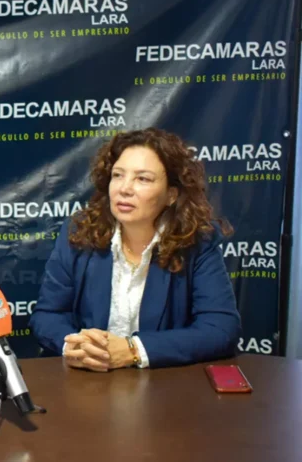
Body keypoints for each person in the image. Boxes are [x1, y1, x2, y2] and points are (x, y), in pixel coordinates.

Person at [29, 128, 241, 371]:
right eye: (118, 175)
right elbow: (47, 316)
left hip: (162, 384)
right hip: (87, 380)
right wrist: (74, 346)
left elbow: (221, 328)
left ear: (171, 195)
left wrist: (133, 350)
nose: (124, 188)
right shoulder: (79, 233)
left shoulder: (197, 242)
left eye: (143, 179)